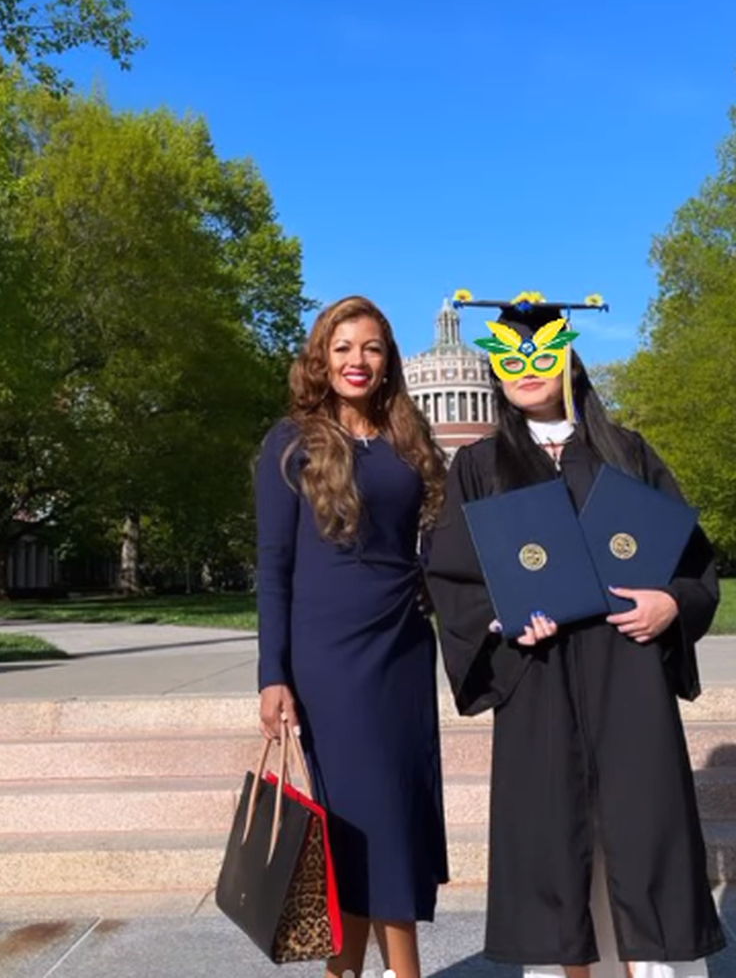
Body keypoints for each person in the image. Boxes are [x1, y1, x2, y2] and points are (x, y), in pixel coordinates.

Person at [425, 293, 725, 978]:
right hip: (538, 677)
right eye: (508, 359)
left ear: (569, 361)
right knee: (551, 850)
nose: (525, 369)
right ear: (494, 372)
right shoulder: (478, 466)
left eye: (541, 355)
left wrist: (671, 606)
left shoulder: (626, 451)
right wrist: (500, 623)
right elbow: (453, 578)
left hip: (629, 675)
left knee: (645, 839)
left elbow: (693, 563)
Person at [255, 295, 449, 978]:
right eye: (342, 348)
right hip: (329, 657)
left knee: (391, 809)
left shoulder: (408, 436)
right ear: (322, 358)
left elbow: (433, 545)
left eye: (369, 347)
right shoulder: (291, 441)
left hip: (402, 644)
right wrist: (272, 675)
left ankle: (349, 972)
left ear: (387, 357)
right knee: (360, 822)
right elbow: (274, 566)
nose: (356, 361)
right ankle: (401, 971)